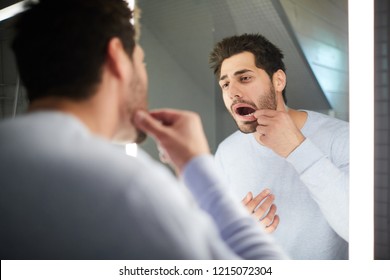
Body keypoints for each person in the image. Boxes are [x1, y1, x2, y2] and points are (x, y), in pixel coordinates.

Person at [0, 1, 288, 260]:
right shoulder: (127, 187)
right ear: (117, 59)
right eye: (142, 61)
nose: (233, 91)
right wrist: (198, 168)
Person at [209, 33, 349, 259]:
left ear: (278, 81)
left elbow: (360, 229)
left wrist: (298, 149)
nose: (232, 92)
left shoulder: (342, 138)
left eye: (244, 78)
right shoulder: (227, 152)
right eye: (225, 84)